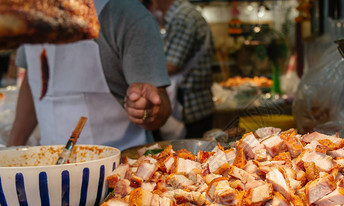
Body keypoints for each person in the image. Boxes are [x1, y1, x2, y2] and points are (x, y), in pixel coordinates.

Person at [7, 0, 171, 150]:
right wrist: (12, 147)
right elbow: (32, 80)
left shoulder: (128, 15)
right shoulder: (30, 16)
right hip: (48, 164)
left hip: (119, 164)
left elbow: (160, 105)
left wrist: (147, 109)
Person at [146, 0, 215, 140]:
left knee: (191, 158)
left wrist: (138, 70)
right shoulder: (182, 15)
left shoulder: (183, 17)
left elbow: (172, 65)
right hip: (192, 106)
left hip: (191, 109)